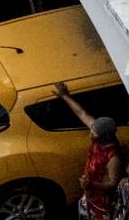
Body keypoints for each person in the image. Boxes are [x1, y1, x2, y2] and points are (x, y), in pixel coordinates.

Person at [53, 82, 124, 220]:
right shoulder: (99, 135)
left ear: (103, 136)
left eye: (94, 131)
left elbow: (112, 184)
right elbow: (81, 113)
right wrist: (64, 96)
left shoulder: (113, 157)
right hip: (89, 195)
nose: (91, 132)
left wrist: (90, 184)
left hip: (101, 203)